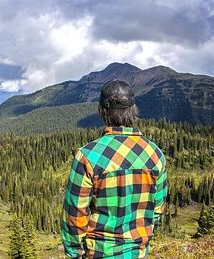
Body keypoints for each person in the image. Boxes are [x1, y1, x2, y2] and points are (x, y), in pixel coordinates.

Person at [61, 80, 168, 258]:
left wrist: (75, 253)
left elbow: (75, 216)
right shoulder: (156, 155)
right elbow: (157, 210)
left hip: (99, 253)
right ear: (134, 110)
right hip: (138, 253)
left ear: (102, 111)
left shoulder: (87, 156)